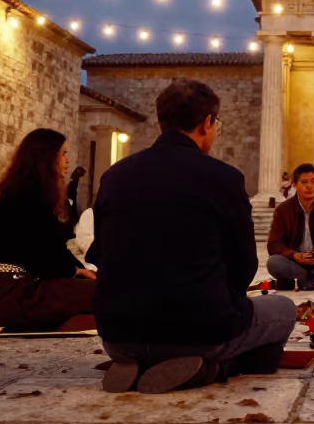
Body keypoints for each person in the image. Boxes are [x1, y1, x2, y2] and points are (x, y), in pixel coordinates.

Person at [95, 79, 296, 393]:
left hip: (118, 335)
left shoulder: (113, 177)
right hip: (197, 332)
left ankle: (141, 363)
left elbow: (101, 254)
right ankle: (214, 367)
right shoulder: (224, 178)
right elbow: (243, 267)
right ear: (207, 123)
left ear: (161, 122)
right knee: (283, 309)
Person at [0, 129, 95, 331]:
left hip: (19, 289)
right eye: (63, 154)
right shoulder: (25, 196)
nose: (67, 161)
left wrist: (80, 271)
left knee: (104, 288)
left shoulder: (31, 192)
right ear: (46, 158)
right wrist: (75, 272)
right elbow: (42, 254)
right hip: (15, 297)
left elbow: (54, 248)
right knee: (109, 292)